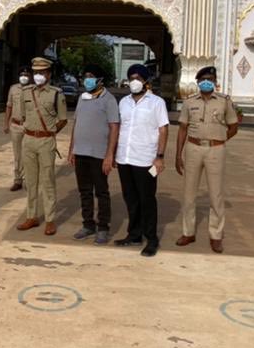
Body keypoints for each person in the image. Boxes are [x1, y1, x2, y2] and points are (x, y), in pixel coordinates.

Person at [175, 65, 240, 252]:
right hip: (193, 148)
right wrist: (178, 155)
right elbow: (182, 129)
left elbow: (233, 126)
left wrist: (220, 139)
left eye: (210, 80)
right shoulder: (189, 102)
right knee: (188, 194)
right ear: (197, 82)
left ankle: (216, 235)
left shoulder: (224, 101)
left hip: (215, 150)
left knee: (216, 194)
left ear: (215, 82)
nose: (206, 82)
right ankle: (188, 232)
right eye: (203, 79)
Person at [114, 63, 169, 257]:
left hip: (146, 159)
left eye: (138, 78)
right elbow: (119, 128)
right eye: (131, 78)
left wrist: (160, 157)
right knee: (130, 199)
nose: (134, 82)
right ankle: (134, 234)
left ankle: (151, 239)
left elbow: (163, 130)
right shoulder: (123, 102)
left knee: (147, 200)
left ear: (146, 81)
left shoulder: (156, 103)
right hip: (124, 158)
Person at [15, 56, 68, 235]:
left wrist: (50, 133)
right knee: (30, 181)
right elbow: (23, 116)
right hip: (28, 140)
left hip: (46, 141)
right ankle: (32, 216)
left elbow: (63, 119)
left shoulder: (56, 93)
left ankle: (50, 219)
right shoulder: (25, 92)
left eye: (42, 72)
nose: (38, 75)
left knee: (47, 180)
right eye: (35, 72)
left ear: (48, 73)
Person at [66, 67, 119, 244]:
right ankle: (88, 224)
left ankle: (103, 227)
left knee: (101, 191)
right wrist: (72, 149)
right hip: (80, 152)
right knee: (85, 191)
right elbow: (76, 125)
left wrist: (109, 155)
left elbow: (114, 127)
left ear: (100, 80)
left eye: (91, 77)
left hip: (99, 154)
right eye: (85, 77)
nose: (87, 80)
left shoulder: (108, 99)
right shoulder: (83, 98)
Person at [3, 66, 32, 191]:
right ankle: (17, 180)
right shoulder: (13, 89)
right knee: (17, 155)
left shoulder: (33, 90)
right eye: (22, 74)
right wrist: (6, 123)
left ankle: (27, 180)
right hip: (15, 125)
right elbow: (9, 106)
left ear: (30, 76)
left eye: (26, 74)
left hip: (28, 126)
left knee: (28, 154)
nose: (24, 77)